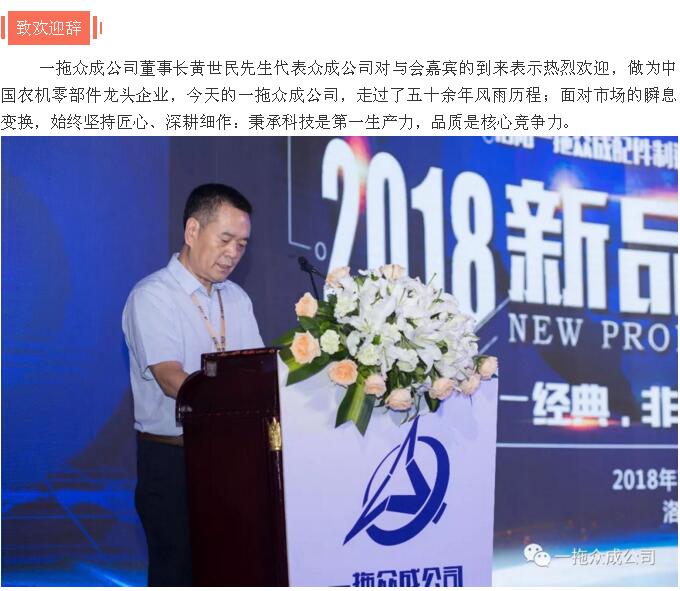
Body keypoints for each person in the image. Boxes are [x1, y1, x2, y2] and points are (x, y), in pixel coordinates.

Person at [122, 183, 264, 586]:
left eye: (242, 245)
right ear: (192, 231)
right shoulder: (153, 295)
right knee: (178, 573)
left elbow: (257, 373)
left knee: (231, 570)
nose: (233, 253)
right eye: (225, 239)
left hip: (231, 460)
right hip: (173, 462)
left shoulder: (236, 299)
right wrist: (227, 404)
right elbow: (170, 378)